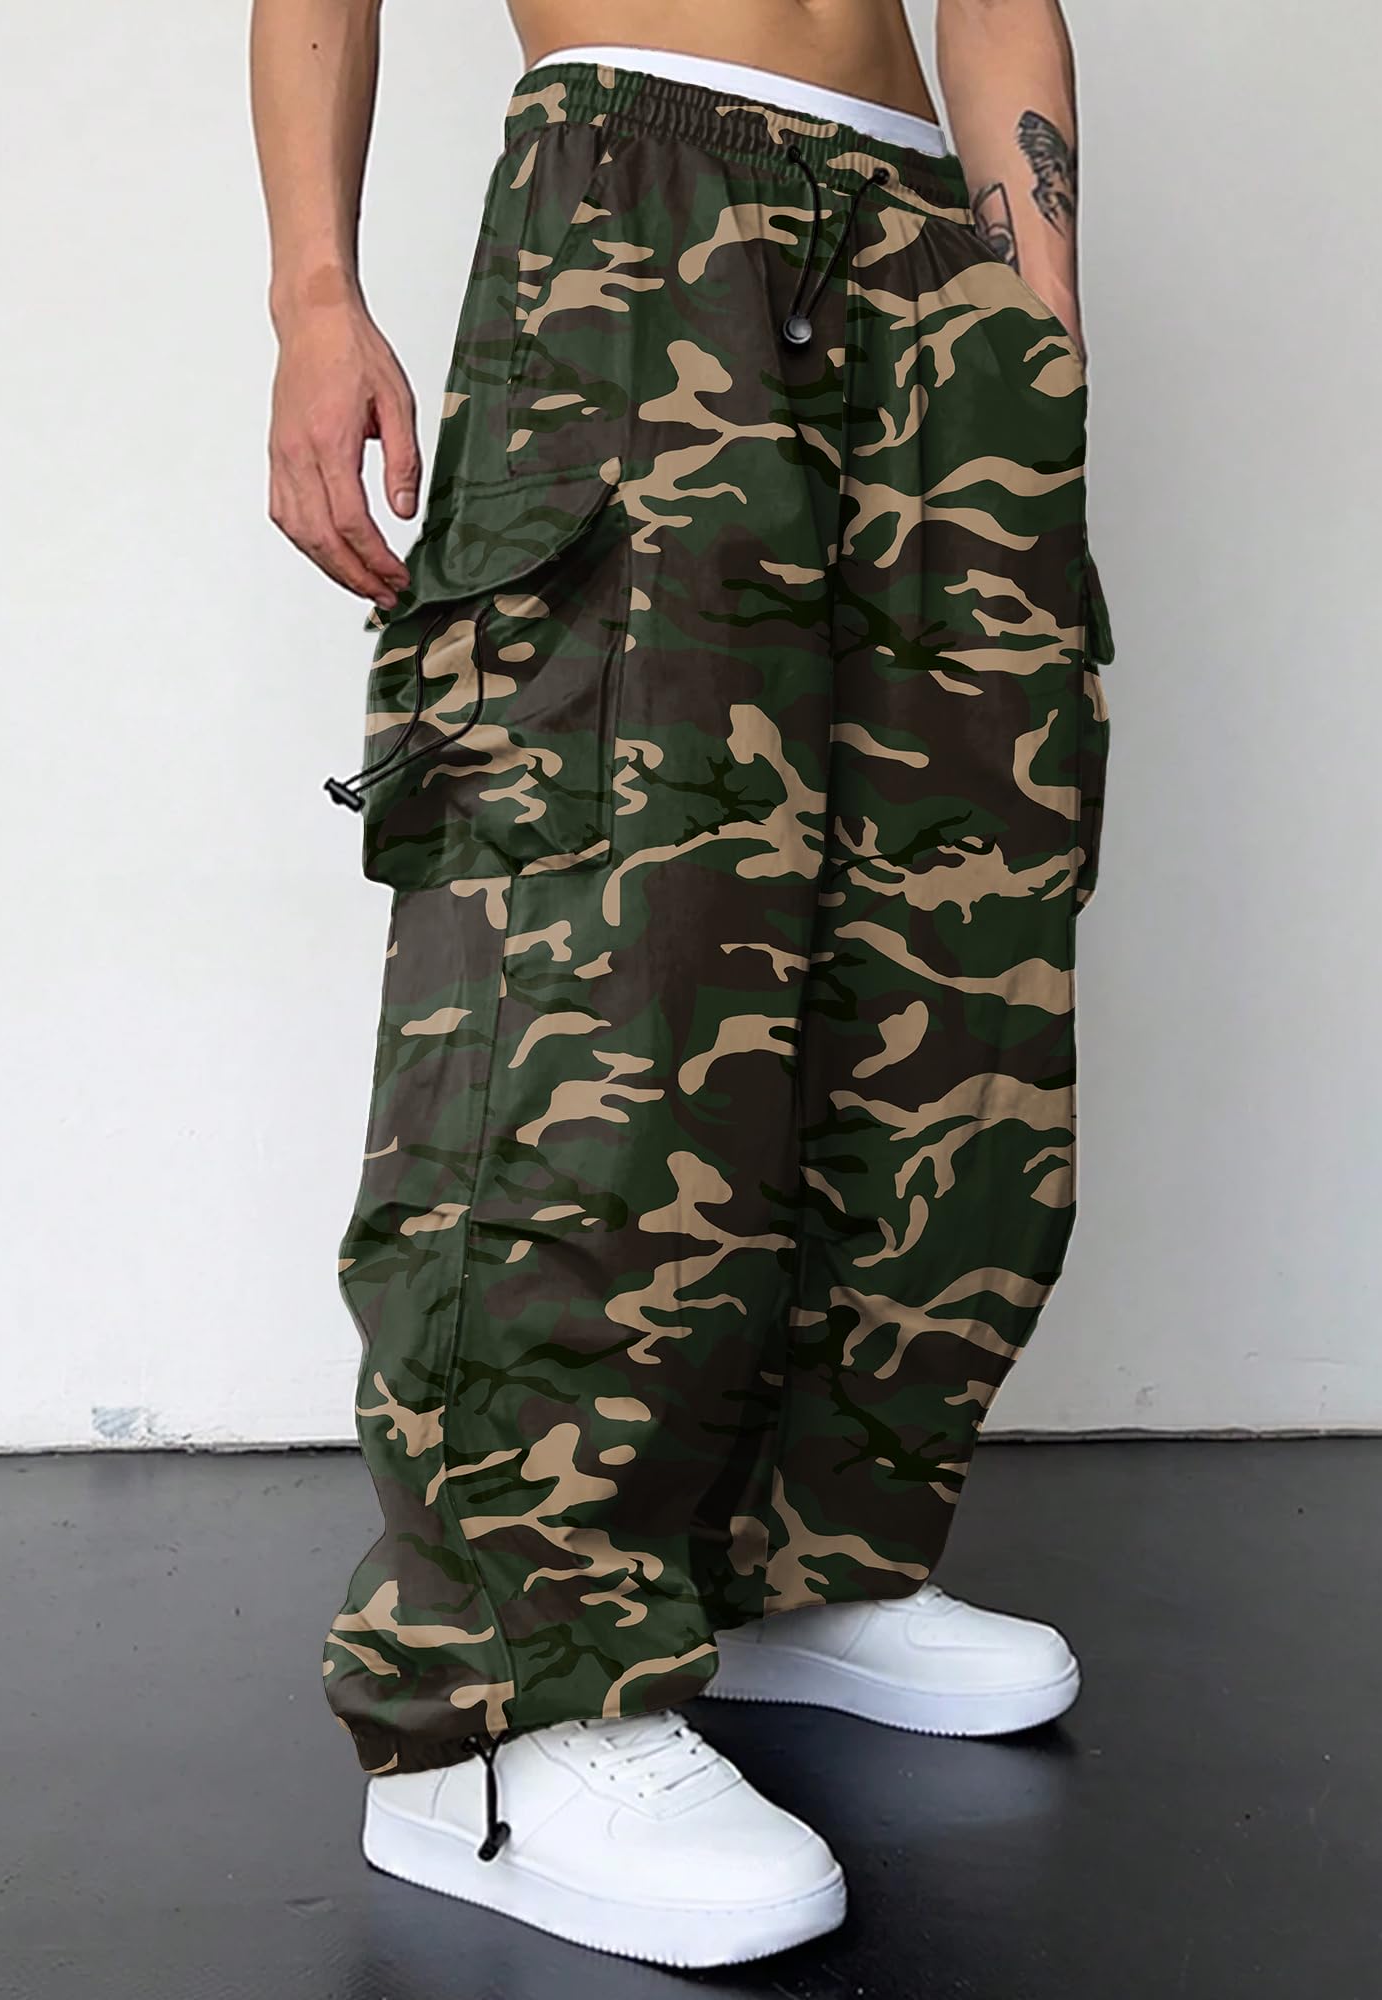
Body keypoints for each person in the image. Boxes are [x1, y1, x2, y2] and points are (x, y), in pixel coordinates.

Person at [252, 0, 1113, 1968]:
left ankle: (808, 1560)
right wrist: (315, 291)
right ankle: (494, 1716)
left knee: (946, 936)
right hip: (641, 191)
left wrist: (1035, 316)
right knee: (604, 945)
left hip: (931, 239)